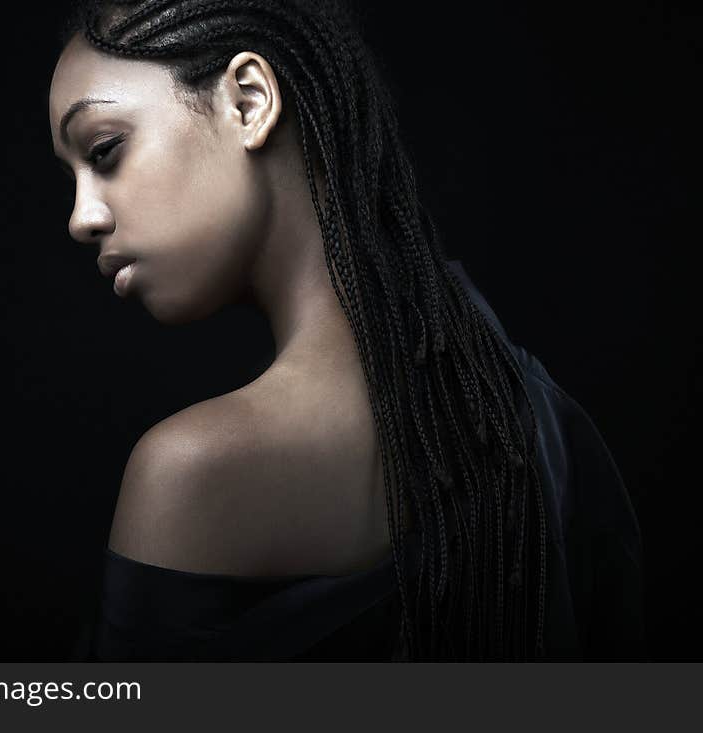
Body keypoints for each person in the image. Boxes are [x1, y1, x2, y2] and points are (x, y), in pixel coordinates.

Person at [48, 0, 644, 661]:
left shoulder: (191, 472)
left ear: (247, 101)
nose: (81, 217)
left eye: (105, 149)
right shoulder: (532, 417)